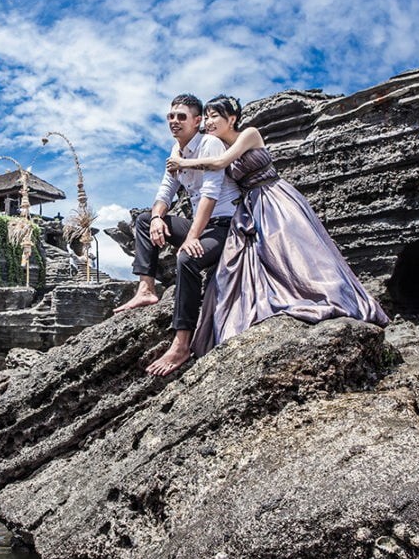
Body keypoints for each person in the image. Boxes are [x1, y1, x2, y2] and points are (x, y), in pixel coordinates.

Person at [166, 96, 389, 357]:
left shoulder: (248, 134)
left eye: (216, 116)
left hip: (274, 196)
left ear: (232, 119)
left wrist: (183, 163)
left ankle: (326, 292)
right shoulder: (214, 143)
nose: (209, 121)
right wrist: (177, 157)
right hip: (249, 205)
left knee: (295, 249)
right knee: (257, 259)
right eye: (208, 116)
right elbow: (194, 159)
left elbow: (219, 164)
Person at [113, 93, 240, 376]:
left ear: (197, 121)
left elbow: (210, 194)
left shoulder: (210, 143)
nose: (174, 121)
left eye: (181, 116)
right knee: (145, 219)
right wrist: (158, 217)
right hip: (201, 225)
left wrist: (192, 238)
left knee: (187, 260)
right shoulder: (176, 152)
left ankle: (182, 344)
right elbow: (164, 193)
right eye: (171, 116)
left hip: (226, 226)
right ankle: (146, 289)